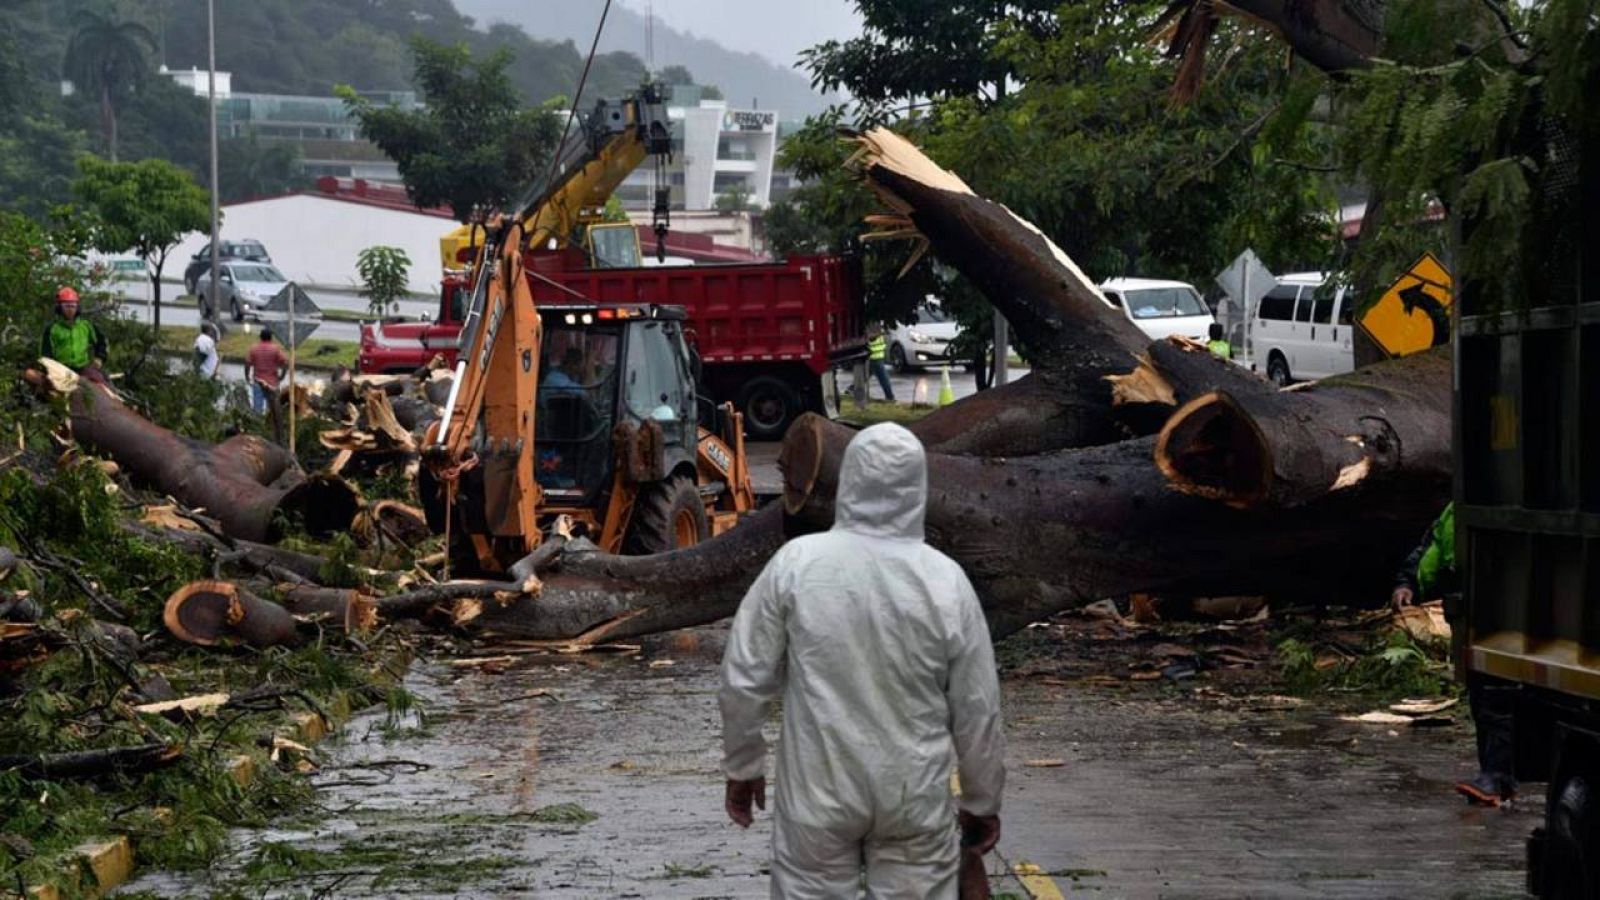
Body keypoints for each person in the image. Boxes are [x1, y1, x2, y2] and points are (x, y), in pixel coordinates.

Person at [720, 423, 1005, 898]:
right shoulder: (945, 579)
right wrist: (981, 798)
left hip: (817, 792)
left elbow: (744, 678)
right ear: (919, 486)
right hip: (913, 794)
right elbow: (978, 706)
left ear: (848, 480)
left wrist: (744, 766)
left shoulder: (797, 564)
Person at [1392, 502, 1516, 806]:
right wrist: (1407, 583)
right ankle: (1492, 777)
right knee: (1480, 697)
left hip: (1502, 613)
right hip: (1468, 612)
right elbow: (1430, 546)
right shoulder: (1454, 511)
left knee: (1496, 696)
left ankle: (1496, 778)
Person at [39, 287, 109, 381]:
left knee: (100, 382)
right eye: (67, 306)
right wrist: (50, 370)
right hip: (60, 370)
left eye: (73, 306)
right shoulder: (52, 329)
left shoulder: (86, 325)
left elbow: (102, 341)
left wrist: (99, 358)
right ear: (60, 308)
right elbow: (45, 354)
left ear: (77, 307)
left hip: (82, 369)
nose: (70, 309)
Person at [245, 328, 288, 414]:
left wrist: (247, 377)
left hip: (258, 382)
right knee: (272, 409)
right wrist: (282, 376)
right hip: (273, 383)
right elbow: (285, 363)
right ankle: (270, 426)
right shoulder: (276, 349)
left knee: (257, 408)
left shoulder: (254, 348)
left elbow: (247, 364)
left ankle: (257, 425)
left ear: (260, 337)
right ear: (271, 337)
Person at [866, 324, 896, 402]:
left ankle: (890, 397)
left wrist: (881, 332)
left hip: (874, 355)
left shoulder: (873, 322)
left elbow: (871, 336)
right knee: (882, 378)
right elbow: (871, 336)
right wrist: (882, 332)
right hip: (874, 355)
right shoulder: (874, 323)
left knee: (867, 375)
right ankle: (890, 397)